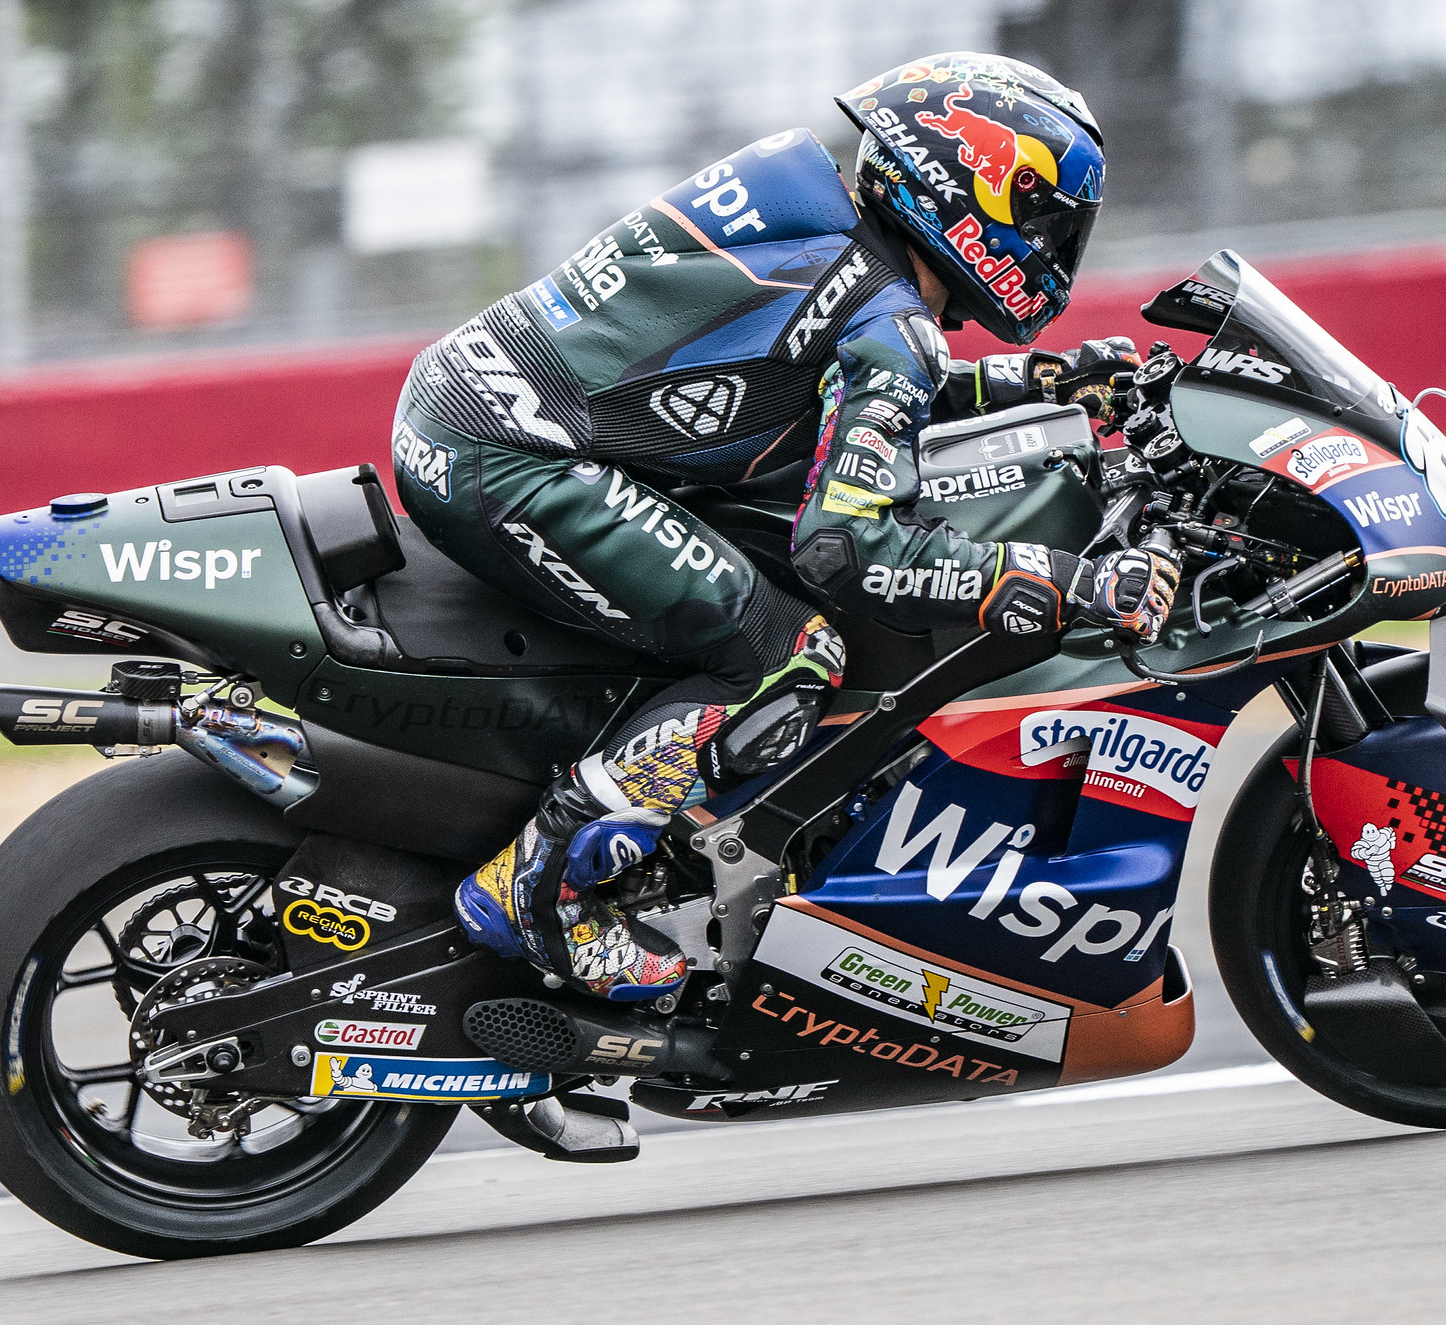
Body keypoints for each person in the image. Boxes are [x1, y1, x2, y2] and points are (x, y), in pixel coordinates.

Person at [391, 52, 1180, 1005]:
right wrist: (1069, 580)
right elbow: (849, 546)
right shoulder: (888, 313)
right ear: (973, 188)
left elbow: (837, 386)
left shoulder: (834, 233)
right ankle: (541, 886)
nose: (1055, 245)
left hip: (476, 411)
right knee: (786, 649)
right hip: (515, 456)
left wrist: (1039, 381)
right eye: (1047, 218)